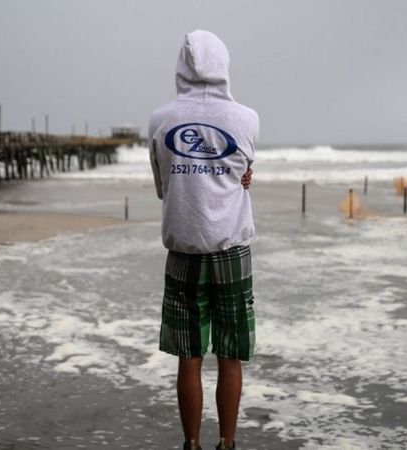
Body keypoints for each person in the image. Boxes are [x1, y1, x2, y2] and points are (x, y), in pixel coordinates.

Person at [148, 30, 259, 450]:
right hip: (232, 250)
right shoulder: (247, 118)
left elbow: (164, 188)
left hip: (183, 251)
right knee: (229, 354)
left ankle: (191, 444)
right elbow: (242, 173)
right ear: (223, 65)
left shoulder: (160, 119)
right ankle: (227, 443)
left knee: (188, 356)